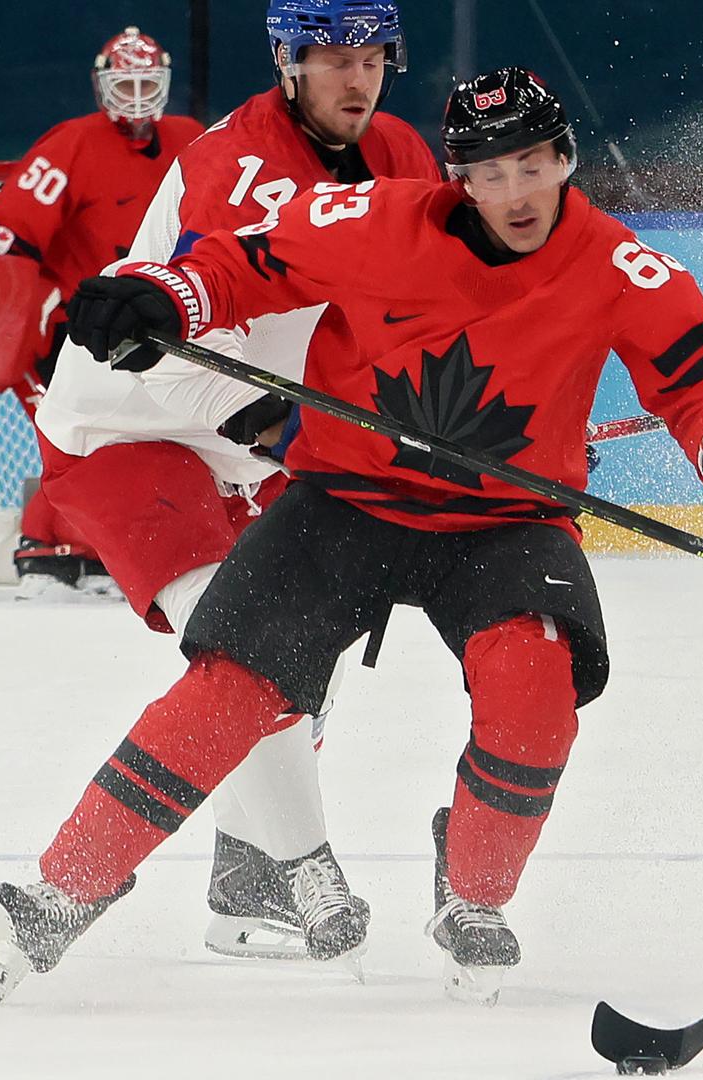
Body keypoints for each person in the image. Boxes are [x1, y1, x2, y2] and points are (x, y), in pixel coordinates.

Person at [0, 67, 703, 1005]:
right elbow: (241, 265)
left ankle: (475, 895)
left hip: (504, 522)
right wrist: (162, 298)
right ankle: (57, 895)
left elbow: (701, 380)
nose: (516, 192)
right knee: (230, 693)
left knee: (534, 690)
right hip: (345, 502)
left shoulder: (616, 265)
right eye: (489, 173)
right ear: (457, 179)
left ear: (565, 158)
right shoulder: (375, 223)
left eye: (532, 164)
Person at [28, 0, 439, 963]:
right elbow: (199, 331)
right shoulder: (236, 165)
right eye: (332, 57)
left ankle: (246, 882)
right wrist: (302, 424)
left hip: (254, 445)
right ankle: (307, 867)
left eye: (372, 56)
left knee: (314, 649)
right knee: (239, 638)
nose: (357, 77)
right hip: (132, 422)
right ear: (288, 65)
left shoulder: (402, 154)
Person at [0, 27, 203, 598]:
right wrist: (10, 322)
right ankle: (45, 551)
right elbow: (2, 238)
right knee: (85, 441)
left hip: (162, 321)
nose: (137, 95)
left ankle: (95, 554)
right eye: (125, 82)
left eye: (147, 81)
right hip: (80, 328)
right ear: (101, 85)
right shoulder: (71, 144)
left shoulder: (192, 139)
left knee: (146, 443)